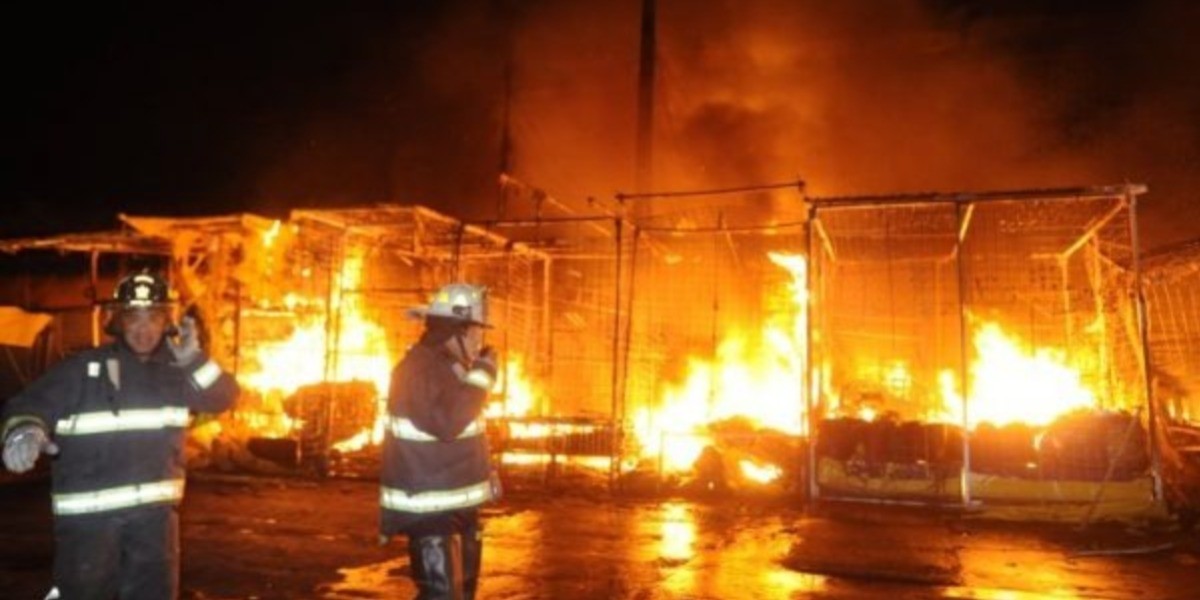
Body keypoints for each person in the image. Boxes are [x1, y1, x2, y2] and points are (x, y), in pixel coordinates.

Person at [0, 269, 239, 599]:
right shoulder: (83, 369)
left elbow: (223, 397)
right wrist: (24, 430)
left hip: (154, 526)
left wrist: (194, 360)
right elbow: (29, 404)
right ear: (118, 321)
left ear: (166, 322)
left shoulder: (176, 375)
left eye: (153, 318)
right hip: (89, 528)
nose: (144, 329)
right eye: (134, 318)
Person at [380, 283, 499, 600]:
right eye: (476, 333)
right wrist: (484, 375)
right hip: (429, 509)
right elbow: (447, 423)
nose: (479, 341)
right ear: (454, 331)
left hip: (457, 506)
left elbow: (467, 428)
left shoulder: (451, 368)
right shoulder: (418, 370)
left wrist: (487, 472)